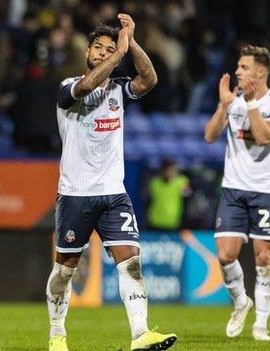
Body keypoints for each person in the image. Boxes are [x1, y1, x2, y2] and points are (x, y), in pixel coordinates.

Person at [46, 14, 176, 351]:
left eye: (109, 48)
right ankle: (57, 333)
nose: (104, 53)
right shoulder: (67, 87)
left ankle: (140, 335)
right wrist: (119, 55)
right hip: (75, 194)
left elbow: (149, 79)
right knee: (65, 271)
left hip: (113, 194)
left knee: (131, 262)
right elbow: (88, 86)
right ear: (87, 53)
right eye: (99, 48)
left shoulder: (119, 89)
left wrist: (131, 44)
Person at [204, 45, 270, 341]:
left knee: (264, 257)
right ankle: (241, 301)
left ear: (261, 71)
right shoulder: (234, 101)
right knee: (225, 254)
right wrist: (223, 106)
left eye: (243, 67)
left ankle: (261, 325)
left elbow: (265, 135)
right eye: (238, 67)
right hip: (233, 189)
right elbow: (209, 135)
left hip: (265, 191)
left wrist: (251, 103)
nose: (238, 72)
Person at [147, 158, 191, 231]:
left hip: (174, 222)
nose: (172, 172)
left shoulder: (182, 181)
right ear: (163, 170)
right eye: (169, 170)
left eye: (173, 170)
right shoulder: (155, 183)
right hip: (155, 221)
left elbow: (188, 194)